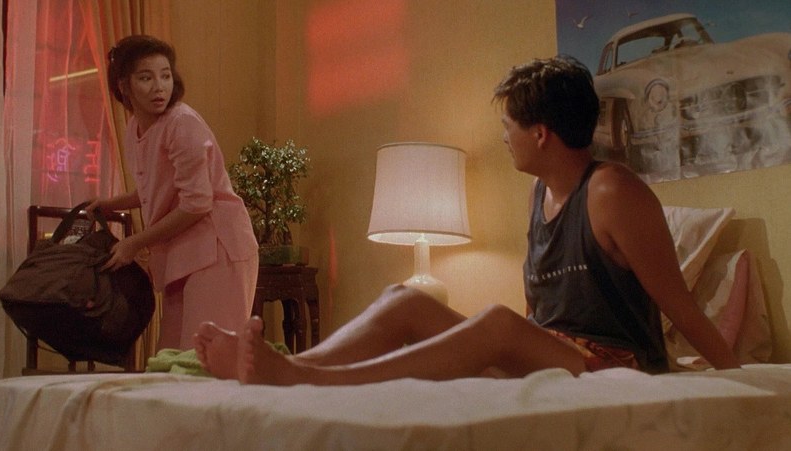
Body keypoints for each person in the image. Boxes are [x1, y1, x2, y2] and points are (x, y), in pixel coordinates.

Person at [193, 56, 740, 385]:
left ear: (540, 133)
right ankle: (292, 365)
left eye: (509, 125)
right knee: (403, 299)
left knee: (498, 322)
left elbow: (680, 307)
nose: (504, 137)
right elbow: (542, 315)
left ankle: (313, 381)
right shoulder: (539, 193)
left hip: (616, 367)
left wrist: (742, 380)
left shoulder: (612, 190)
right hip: (554, 354)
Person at [85, 35, 258, 351]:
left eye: (165, 76)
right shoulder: (135, 128)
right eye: (146, 78)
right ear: (124, 86)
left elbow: (196, 203)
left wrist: (135, 242)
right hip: (182, 251)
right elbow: (155, 188)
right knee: (172, 357)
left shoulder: (182, 124)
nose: (159, 87)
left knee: (206, 357)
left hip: (218, 248)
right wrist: (110, 203)